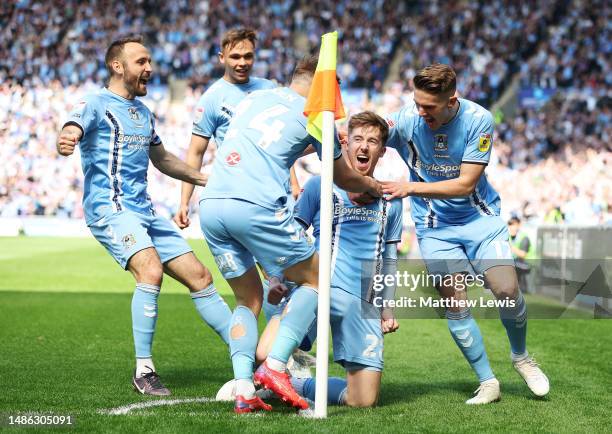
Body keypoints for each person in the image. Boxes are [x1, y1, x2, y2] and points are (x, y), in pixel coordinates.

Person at [199, 55, 383, 413]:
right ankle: (276, 366)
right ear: (323, 85)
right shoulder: (317, 115)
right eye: (336, 88)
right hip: (254, 205)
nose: (337, 98)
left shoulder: (257, 96)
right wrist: (371, 185)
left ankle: (244, 389)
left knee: (248, 300)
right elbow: (342, 178)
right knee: (318, 278)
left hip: (212, 204)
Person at [56, 36, 232, 396]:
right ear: (118, 66)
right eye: (141, 62)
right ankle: (144, 370)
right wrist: (68, 137)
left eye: (150, 61)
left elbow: (162, 159)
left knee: (199, 275)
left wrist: (203, 178)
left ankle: (248, 355)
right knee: (150, 269)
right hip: (109, 208)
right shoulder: (95, 103)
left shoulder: (143, 113)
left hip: (145, 211)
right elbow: (72, 126)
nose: (149, 68)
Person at [381, 64, 549, 404]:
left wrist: (409, 187)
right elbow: (368, 131)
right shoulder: (407, 118)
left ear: (451, 100)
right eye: (418, 103)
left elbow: (465, 184)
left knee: (506, 289)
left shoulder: (479, 120)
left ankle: (521, 357)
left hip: (479, 218)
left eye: (429, 106)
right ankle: (488, 382)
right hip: (434, 228)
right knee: (454, 302)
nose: (421, 112)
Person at [256, 111, 401, 408]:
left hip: (363, 305)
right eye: (358, 139)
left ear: (382, 151)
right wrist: (277, 277)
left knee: (363, 400)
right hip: (317, 290)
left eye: (372, 141)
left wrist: (387, 307)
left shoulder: (391, 201)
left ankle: (294, 383)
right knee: (266, 351)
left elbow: (388, 259)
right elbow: (292, 234)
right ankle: (270, 373)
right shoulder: (319, 186)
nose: (364, 147)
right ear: (345, 144)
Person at [174, 28, 300, 230]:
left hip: (275, 192)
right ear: (221, 58)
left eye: (248, 56)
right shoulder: (212, 99)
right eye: (235, 57)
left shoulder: (269, 89)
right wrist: (183, 202)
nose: (242, 63)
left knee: (283, 261)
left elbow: (280, 142)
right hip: (238, 194)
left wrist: (293, 183)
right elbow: (196, 153)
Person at [508, 216, 535, 293]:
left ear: (519, 225)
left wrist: (510, 246)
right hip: (518, 262)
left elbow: (523, 255)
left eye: (514, 225)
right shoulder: (509, 237)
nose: (512, 227)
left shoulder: (524, 237)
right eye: (510, 224)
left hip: (529, 263)